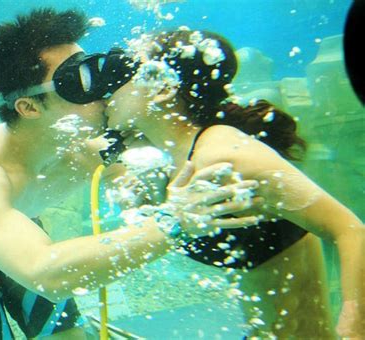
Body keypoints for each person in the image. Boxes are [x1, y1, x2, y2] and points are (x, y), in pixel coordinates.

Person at [0, 9, 260, 339]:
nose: (101, 93)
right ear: (28, 107)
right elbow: (44, 271)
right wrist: (173, 223)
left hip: (20, 232)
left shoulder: (82, 140)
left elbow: (139, 168)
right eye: (78, 82)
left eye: (94, 73)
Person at [104, 29, 365, 338]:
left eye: (122, 76)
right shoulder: (177, 155)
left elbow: (349, 230)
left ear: (162, 88)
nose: (107, 91)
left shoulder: (224, 153)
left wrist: (356, 326)